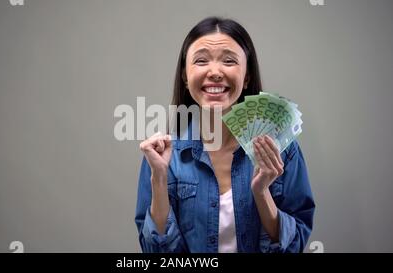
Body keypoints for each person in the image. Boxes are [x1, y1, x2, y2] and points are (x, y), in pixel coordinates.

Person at [135, 17, 315, 253]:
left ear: (247, 76)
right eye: (201, 61)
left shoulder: (283, 149)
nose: (215, 72)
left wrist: (262, 193)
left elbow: (294, 246)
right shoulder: (163, 157)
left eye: (229, 61)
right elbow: (156, 253)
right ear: (185, 77)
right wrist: (159, 178)